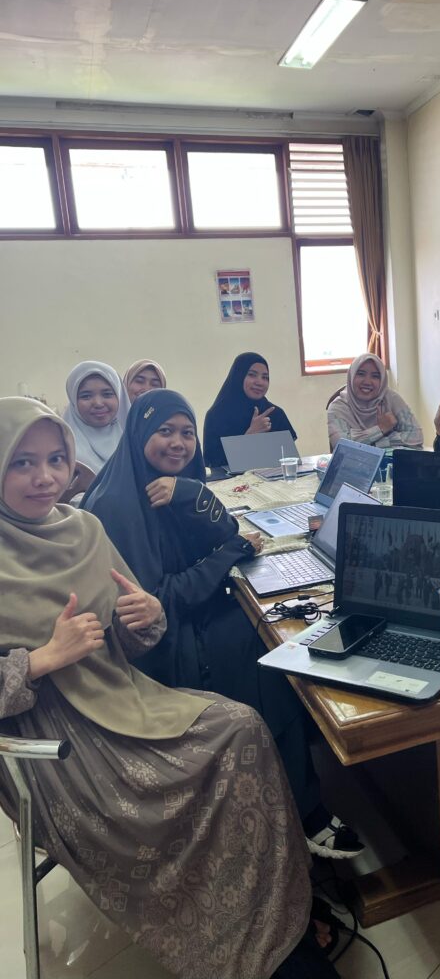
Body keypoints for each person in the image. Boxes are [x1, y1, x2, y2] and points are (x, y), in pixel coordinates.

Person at [0, 396, 341, 979]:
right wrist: (38, 661)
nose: (45, 477)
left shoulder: (82, 528)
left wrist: (146, 617)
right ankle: (242, 933)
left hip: (122, 697)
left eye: (56, 459)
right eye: (22, 463)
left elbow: (132, 633)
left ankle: (273, 904)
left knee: (243, 728)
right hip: (52, 741)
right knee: (197, 770)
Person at [83, 389, 362, 859]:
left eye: (186, 432)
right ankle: (302, 809)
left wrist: (192, 492)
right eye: (164, 431)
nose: (178, 443)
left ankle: (304, 770)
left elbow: (227, 534)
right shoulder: (119, 505)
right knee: (269, 653)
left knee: (274, 625)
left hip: (186, 618)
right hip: (159, 648)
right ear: (139, 434)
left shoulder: (163, 484)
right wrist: (228, 555)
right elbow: (160, 602)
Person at [203, 353, 297, 468]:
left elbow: (288, 462)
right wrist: (250, 436)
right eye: (252, 375)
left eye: (265, 377)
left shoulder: (275, 414)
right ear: (238, 376)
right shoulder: (217, 416)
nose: (259, 382)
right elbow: (213, 465)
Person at [327, 353, 423, 450]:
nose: (367, 382)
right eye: (361, 374)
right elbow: (343, 446)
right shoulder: (338, 407)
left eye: (375, 376)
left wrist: (376, 444)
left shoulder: (391, 399)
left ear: (382, 380)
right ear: (351, 376)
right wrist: (381, 428)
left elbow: (416, 436)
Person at [62, 361, 129, 473]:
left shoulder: (135, 439)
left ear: (119, 396)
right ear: (73, 401)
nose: (98, 403)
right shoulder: (61, 446)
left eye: (107, 394)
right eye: (86, 396)